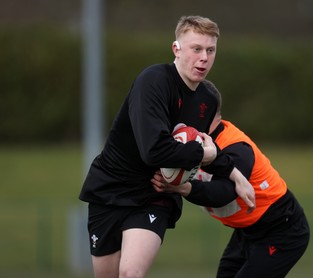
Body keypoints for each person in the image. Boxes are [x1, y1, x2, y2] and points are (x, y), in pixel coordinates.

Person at [79, 16, 255, 278]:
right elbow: (154, 150)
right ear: (177, 49)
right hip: (110, 189)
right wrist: (202, 155)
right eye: (196, 49)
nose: (204, 58)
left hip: (156, 192)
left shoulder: (206, 99)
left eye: (210, 50)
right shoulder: (153, 82)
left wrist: (234, 174)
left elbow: (205, 149)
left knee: (130, 273)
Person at [152, 80, 310, 278]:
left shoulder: (236, 147)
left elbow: (223, 193)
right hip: (245, 231)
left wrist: (182, 188)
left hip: (281, 229)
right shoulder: (190, 141)